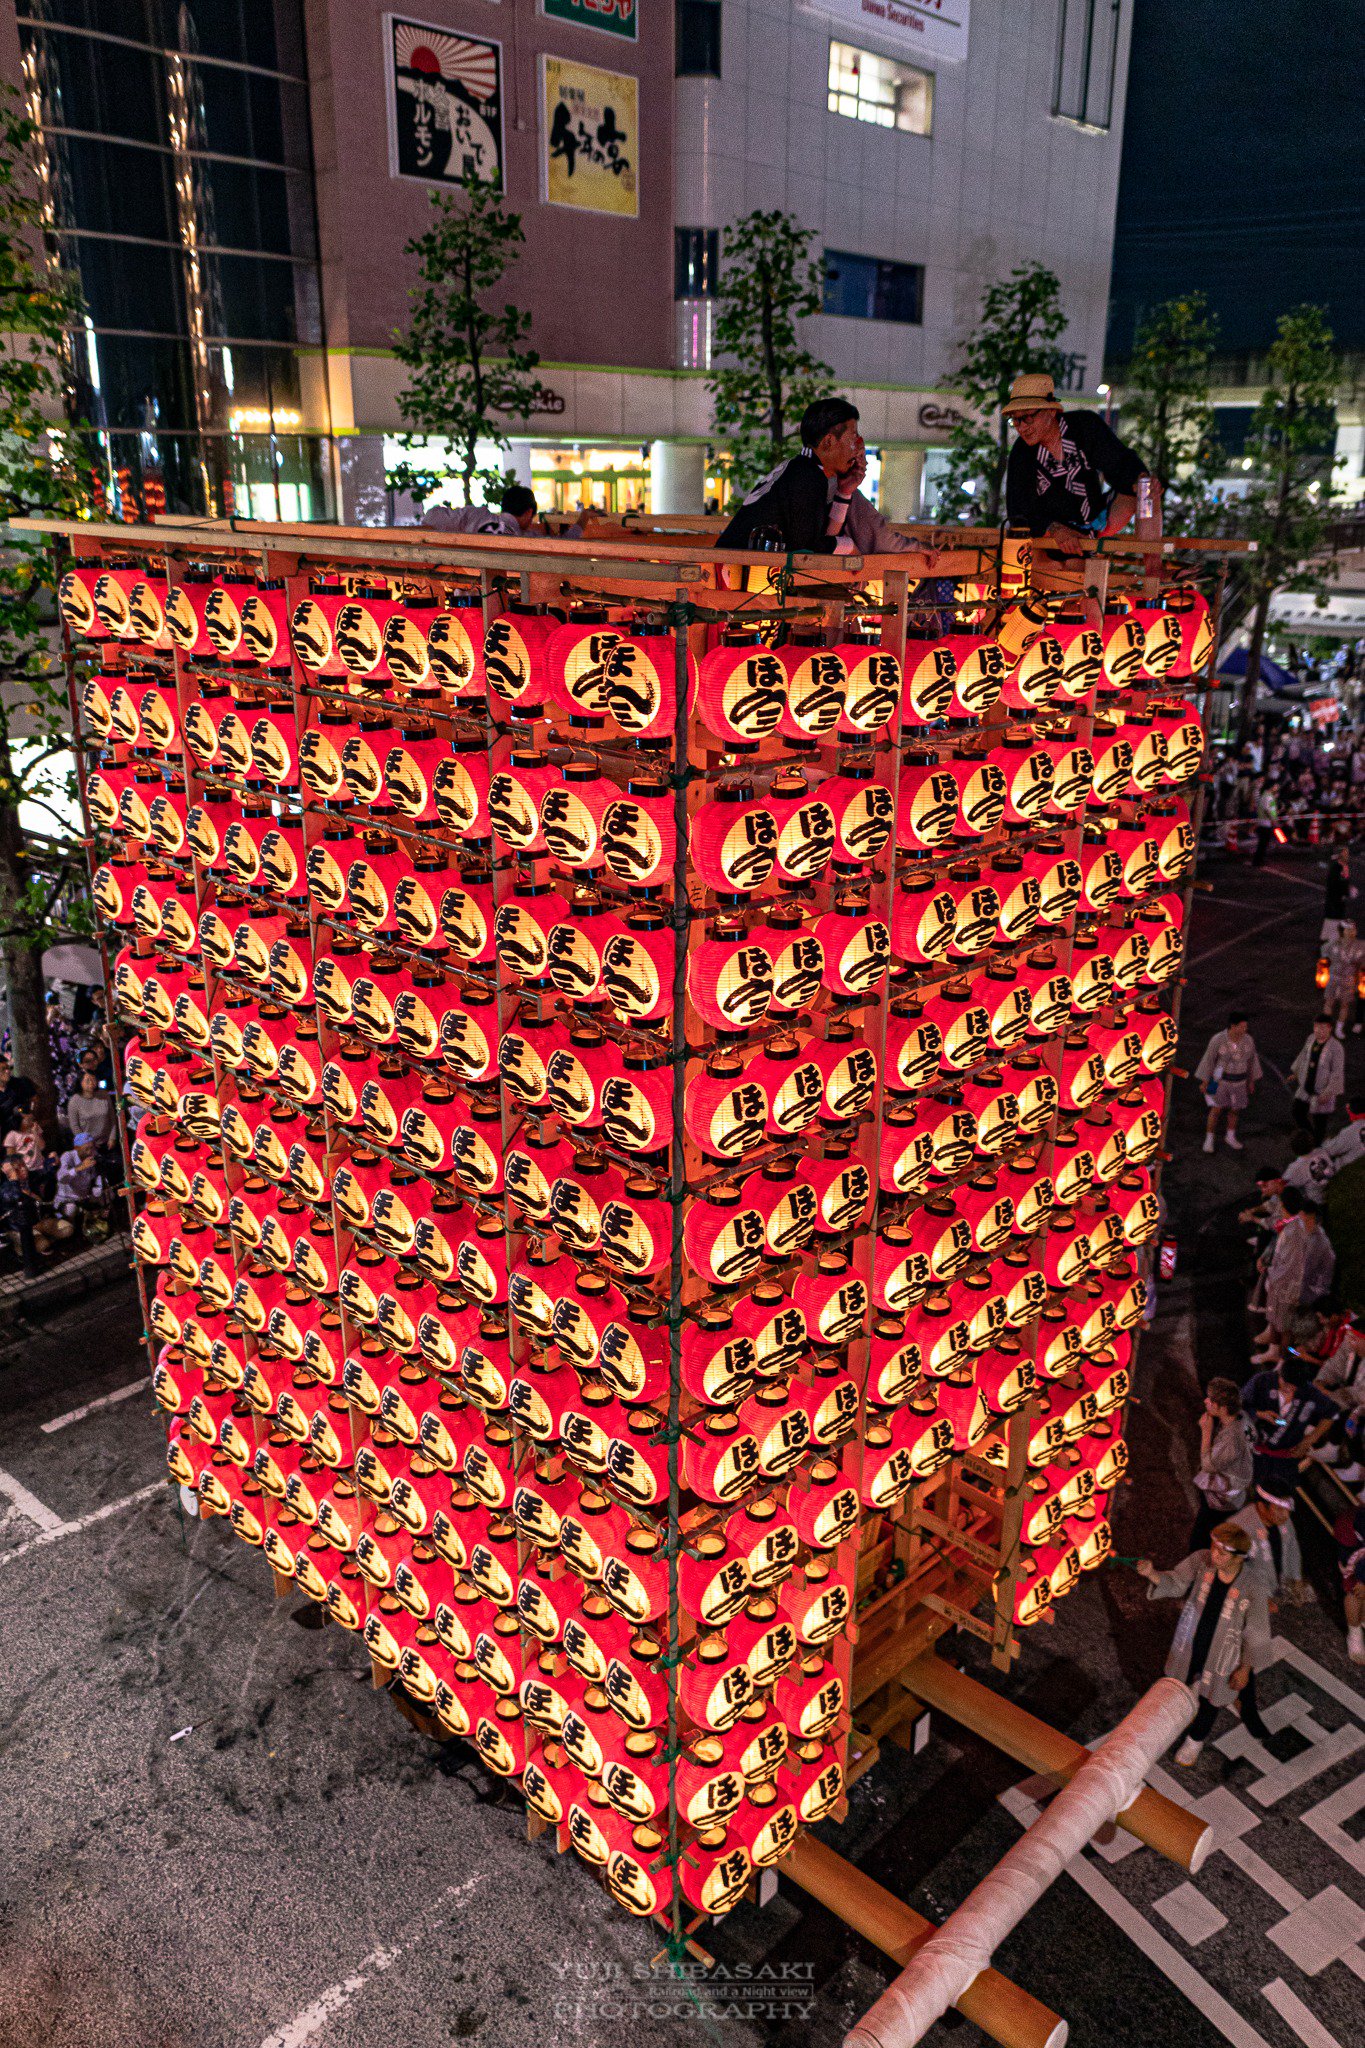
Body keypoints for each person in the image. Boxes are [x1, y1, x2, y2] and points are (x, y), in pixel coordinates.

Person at [1135, 1523, 1271, 1766]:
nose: (1214, 1555)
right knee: (1176, 1683)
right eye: (1214, 1547)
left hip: (1223, 1653)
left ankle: (1195, 1739)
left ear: (1239, 1558)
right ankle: (1168, 1724)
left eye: (1222, 1553)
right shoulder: (1202, 1560)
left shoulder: (1253, 1586)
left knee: (1211, 1697)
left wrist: (1245, 1668)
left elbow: (1257, 1631)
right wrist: (1152, 1574)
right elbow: (1177, 1581)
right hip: (1190, 1642)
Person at [1002, 374, 1156, 546]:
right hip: (1053, 535)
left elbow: (1120, 462)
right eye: (1015, 420)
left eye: (1028, 417)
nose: (1022, 427)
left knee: (1146, 488)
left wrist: (1140, 478)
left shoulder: (1084, 426)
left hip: (1097, 521)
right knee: (1049, 548)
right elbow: (1018, 511)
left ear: (1051, 411)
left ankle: (1151, 558)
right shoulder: (1021, 453)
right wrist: (1054, 529)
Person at [718, 398, 867, 557]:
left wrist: (844, 493)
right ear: (829, 441)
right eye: (853, 438)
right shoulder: (807, 476)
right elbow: (806, 549)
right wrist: (848, 545)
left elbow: (820, 539)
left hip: (736, 564)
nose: (857, 448)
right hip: (730, 567)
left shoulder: (801, 468)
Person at [1252, 1194, 1335, 1367]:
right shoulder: (1299, 1231)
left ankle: (1284, 1360)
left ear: (1311, 1218)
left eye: (1303, 1217)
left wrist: (1273, 1274)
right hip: (1293, 1287)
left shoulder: (1317, 1242)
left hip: (1306, 1293)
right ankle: (1275, 1351)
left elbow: (1301, 1273)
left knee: (1286, 1330)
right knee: (1277, 1313)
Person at [1242, 1351, 1336, 1490]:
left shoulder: (1309, 1392)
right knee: (1250, 1491)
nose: (1290, 1389)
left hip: (1286, 1458)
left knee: (1282, 1495)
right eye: (1286, 1384)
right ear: (1279, 1374)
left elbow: (1332, 1413)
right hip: (1253, 1449)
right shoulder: (1261, 1381)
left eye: (1295, 1387)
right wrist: (1259, 1414)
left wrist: (1310, 1439)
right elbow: (1238, 1407)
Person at [1190, 1378, 1254, 1552]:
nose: (1206, 1401)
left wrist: (1206, 1431)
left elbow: (1208, 1465)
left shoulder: (1232, 1439)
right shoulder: (1243, 1417)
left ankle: (1198, 1557)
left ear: (1223, 1409)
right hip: (1234, 1491)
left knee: (1204, 1535)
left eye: (1211, 1400)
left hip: (1222, 1499)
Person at [1194, 1011, 1262, 1153]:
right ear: (1233, 1026)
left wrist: (1251, 1081)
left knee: (1235, 1110)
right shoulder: (1218, 1039)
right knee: (1216, 1110)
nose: (1245, 1029)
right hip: (1219, 1080)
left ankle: (1230, 1136)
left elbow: (1252, 1061)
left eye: (1246, 1027)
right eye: (1242, 1027)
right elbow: (1209, 1060)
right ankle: (1209, 1139)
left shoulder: (1248, 1040)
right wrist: (1205, 1081)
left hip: (1240, 1081)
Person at [1290, 1015, 1345, 1141]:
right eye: (1316, 1027)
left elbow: (1337, 1073)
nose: (1318, 1030)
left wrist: (1327, 1092)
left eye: (1322, 1027)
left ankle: (1317, 1144)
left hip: (1322, 1091)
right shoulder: (1311, 1038)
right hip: (1306, 1086)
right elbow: (1303, 1055)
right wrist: (1297, 1072)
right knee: (1297, 1112)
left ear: (1330, 1028)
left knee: (1319, 1121)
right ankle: (1311, 1138)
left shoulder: (1336, 1048)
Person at [66, 1070, 117, 1150]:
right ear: (80, 1083)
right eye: (87, 1080)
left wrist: (112, 1137)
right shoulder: (74, 1101)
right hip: (88, 1146)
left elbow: (112, 1118)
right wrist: (88, 1142)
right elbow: (75, 1126)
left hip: (107, 1141)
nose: (91, 1083)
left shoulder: (104, 1095)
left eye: (93, 1079)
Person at [1321, 841, 1354, 947]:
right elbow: (1335, 884)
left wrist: (1347, 889)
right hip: (1335, 899)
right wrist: (1346, 892)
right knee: (1334, 917)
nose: (1347, 856)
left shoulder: (1343, 866)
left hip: (1338, 898)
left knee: (1336, 917)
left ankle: (1330, 940)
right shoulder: (1336, 868)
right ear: (1340, 855)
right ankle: (1330, 942)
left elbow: (1343, 882)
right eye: (1345, 853)